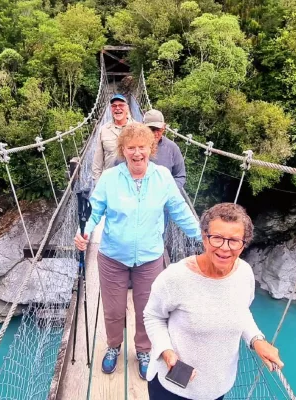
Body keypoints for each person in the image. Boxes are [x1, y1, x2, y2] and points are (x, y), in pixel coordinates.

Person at [74, 123, 201, 381]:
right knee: (113, 310)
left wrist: (202, 236)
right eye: (130, 148)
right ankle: (114, 346)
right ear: (122, 150)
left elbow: (179, 210)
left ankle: (143, 350)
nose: (137, 153)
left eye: (142, 147)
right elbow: (94, 209)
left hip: (150, 257)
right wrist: (84, 233)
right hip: (112, 257)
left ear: (151, 148)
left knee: (148, 309)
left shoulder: (163, 177)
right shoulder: (110, 179)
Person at [144, 203, 284, 400]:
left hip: (217, 387)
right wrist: (166, 352)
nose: (225, 248)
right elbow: (153, 316)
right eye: (217, 238)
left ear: (244, 243)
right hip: (172, 387)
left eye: (234, 241)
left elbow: (241, 311)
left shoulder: (245, 273)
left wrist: (256, 340)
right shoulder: (175, 277)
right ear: (204, 237)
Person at [114, 109, 186, 189]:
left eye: (158, 129)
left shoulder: (172, 148)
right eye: (151, 129)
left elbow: (180, 176)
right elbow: (117, 168)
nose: (155, 133)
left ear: (164, 127)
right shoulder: (132, 145)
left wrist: (168, 191)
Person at [91, 93, 133, 183]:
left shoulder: (137, 128)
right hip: (110, 182)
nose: (117, 108)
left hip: (132, 182)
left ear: (127, 108)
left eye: (121, 105)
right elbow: (97, 162)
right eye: (114, 106)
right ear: (111, 109)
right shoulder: (103, 130)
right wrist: (98, 184)